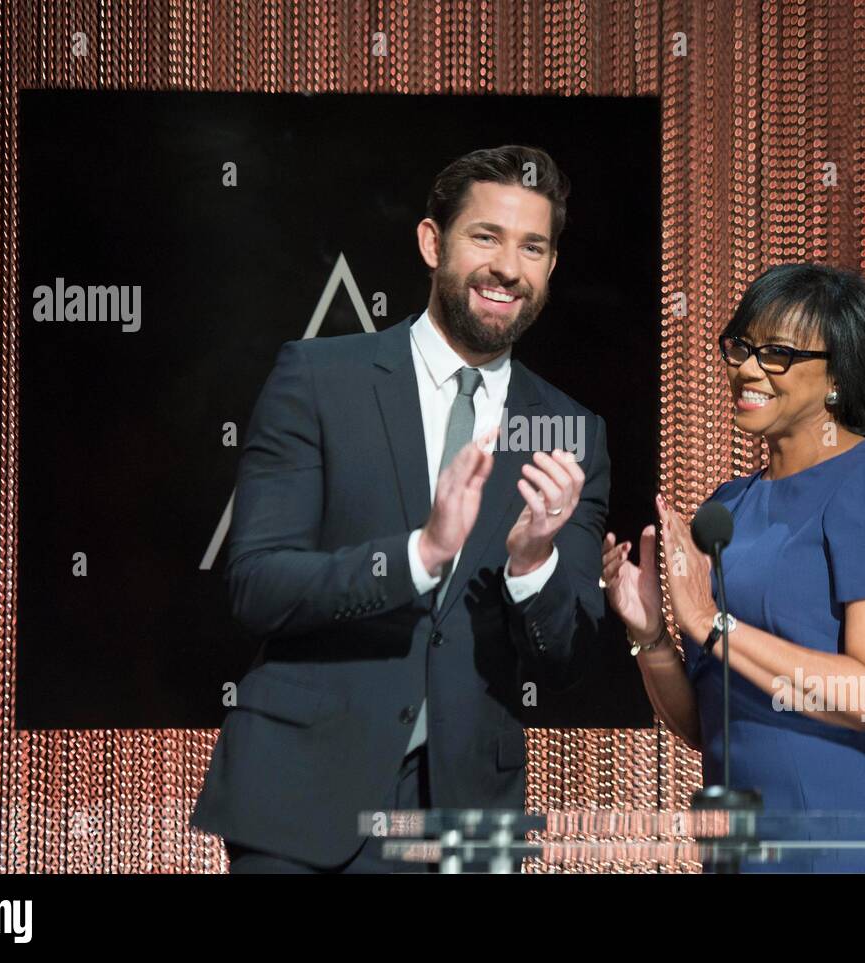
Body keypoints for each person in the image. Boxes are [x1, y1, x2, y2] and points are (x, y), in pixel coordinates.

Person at [191, 145, 610, 873]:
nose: (508, 266)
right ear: (431, 242)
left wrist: (532, 563)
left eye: (532, 246)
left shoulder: (573, 431)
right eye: (486, 236)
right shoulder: (320, 378)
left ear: (550, 268)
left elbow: (568, 655)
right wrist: (418, 555)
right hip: (300, 799)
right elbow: (257, 586)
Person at [602, 263, 865, 873]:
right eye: (742, 346)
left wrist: (713, 625)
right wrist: (652, 634)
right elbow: (707, 724)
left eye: (777, 353)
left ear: (838, 376)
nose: (746, 368)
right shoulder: (725, 507)